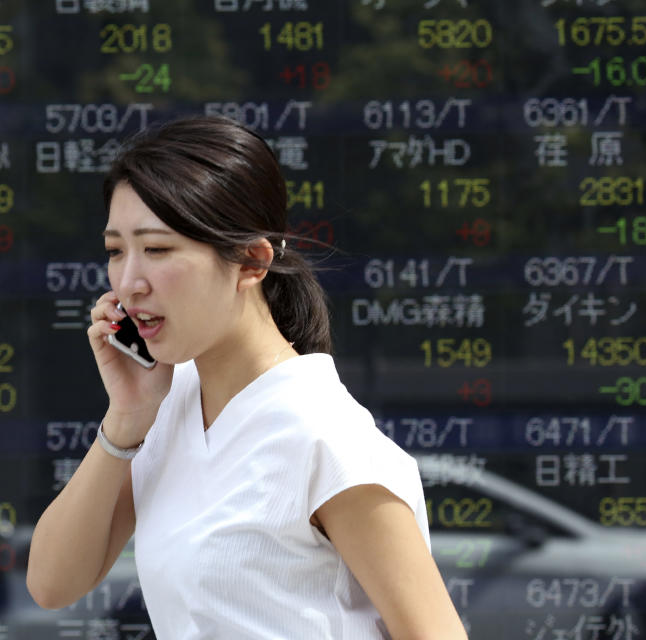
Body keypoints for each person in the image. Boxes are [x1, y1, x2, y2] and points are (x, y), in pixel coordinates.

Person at [27, 116, 467, 639]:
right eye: (116, 251)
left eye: (158, 249)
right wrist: (126, 417)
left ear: (252, 262)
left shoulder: (325, 436)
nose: (128, 283)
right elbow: (52, 584)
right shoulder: (170, 405)